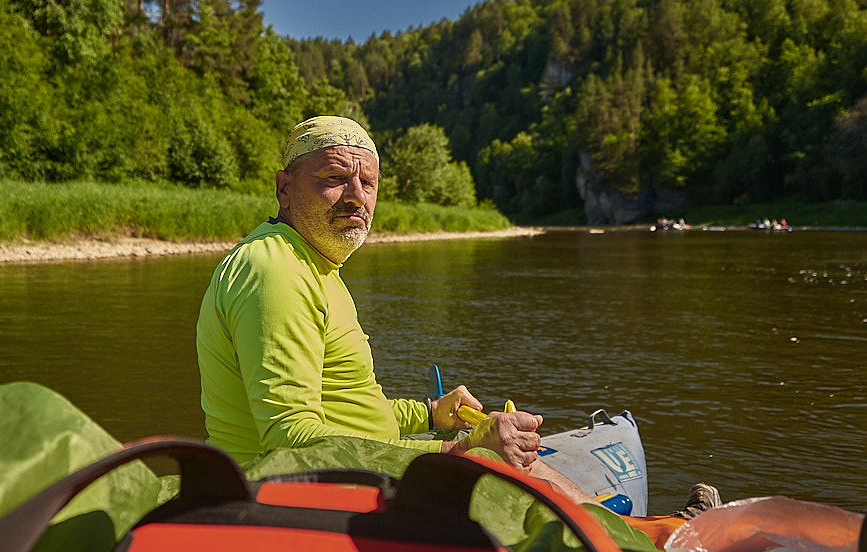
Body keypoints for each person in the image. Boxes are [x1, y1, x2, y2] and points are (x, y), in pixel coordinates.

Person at [195, 116, 719, 545]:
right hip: (290, 498)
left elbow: (349, 407)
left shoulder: (313, 266)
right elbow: (292, 441)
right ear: (285, 187)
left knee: (524, 469)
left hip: (340, 472)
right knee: (511, 471)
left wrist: (427, 414)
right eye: (334, 178)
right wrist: (458, 451)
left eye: (368, 182)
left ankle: (647, 534)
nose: (357, 196)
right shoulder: (275, 271)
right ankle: (655, 539)